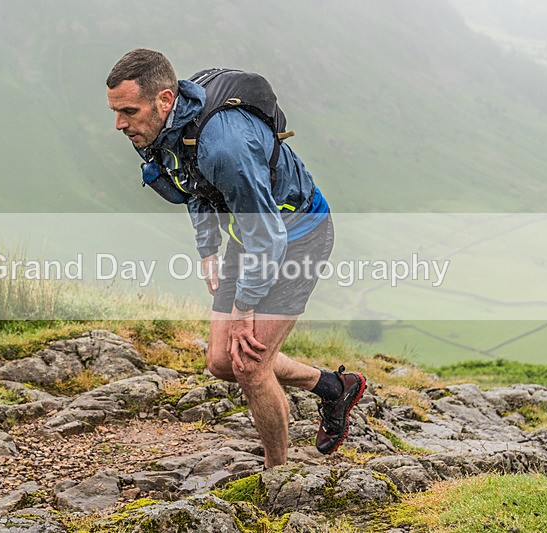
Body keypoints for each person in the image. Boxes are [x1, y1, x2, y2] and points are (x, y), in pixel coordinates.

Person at [106, 48, 366, 467]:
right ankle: (335, 388)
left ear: (164, 100)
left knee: (249, 365)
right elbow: (191, 183)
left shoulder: (225, 146)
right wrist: (208, 248)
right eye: (116, 112)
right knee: (220, 361)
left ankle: (277, 477)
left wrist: (245, 306)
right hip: (250, 237)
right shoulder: (161, 128)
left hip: (298, 235)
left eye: (129, 111)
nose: (120, 124)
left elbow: (269, 236)